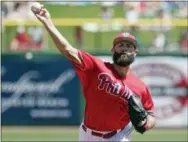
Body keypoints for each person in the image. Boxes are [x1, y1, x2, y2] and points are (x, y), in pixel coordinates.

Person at [31, 4, 156, 142]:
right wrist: (48, 22)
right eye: (120, 45)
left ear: (135, 53)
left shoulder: (140, 87)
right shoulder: (96, 66)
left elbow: (151, 114)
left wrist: (146, 123)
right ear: (113, 51)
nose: (125, 49)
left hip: (118, 136)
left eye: (129, 46)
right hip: (86, 134)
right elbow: (67, 49)